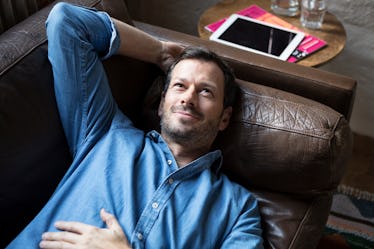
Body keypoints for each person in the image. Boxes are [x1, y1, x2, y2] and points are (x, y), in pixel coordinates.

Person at [6, 3, 263, 249]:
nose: (188, 98)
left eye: (206, 91)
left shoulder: (238, 209)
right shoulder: (104, 131)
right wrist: (159, 51)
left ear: (225, 118)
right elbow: (67, 22)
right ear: (162, 104)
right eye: (179, 86)